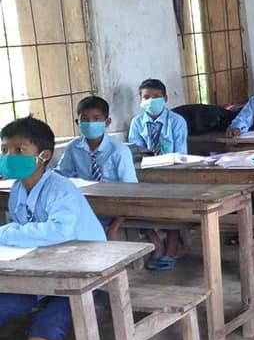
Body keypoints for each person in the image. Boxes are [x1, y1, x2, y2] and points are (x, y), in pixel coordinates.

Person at [0, 116, 107, 340]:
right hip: (38, 276)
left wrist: (6, 233)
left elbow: (57, 231)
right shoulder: (18, 190)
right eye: (5, 150)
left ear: (43, 155)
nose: (9, 156)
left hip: (81, 278)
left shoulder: (61, 189)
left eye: (19, 150)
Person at [57, 95, 137, 240]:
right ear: (77, 122)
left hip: (114, 210)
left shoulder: (119, 151)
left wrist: (115, 227)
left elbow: (131, 192)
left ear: (107, 122)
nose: (90, 123)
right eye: (85, 119)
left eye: (96, 119)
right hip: (83, 207)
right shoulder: (73, 148)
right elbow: (61, 175)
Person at [128, 79, 188, 269]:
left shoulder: (177, 121)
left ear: (166, 98)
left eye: (156, 97)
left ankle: (172, 244)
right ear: (140, 100)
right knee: (132, 200)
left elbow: (181, 153)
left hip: (173, 173)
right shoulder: (137, 123)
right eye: (146, 97)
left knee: (173, 201)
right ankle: (154, 240)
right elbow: (136, 152)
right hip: (145, 173)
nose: (151, 101)